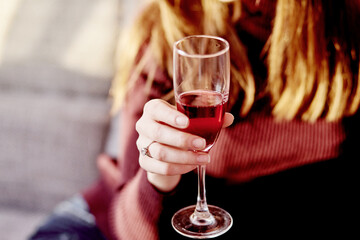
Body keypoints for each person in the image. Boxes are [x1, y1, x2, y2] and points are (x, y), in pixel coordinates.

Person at [30, 0, 359, 239]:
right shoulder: (171, 22)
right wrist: (158, 178)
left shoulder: (346, 34)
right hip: (100, 225)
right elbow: (127, 228)